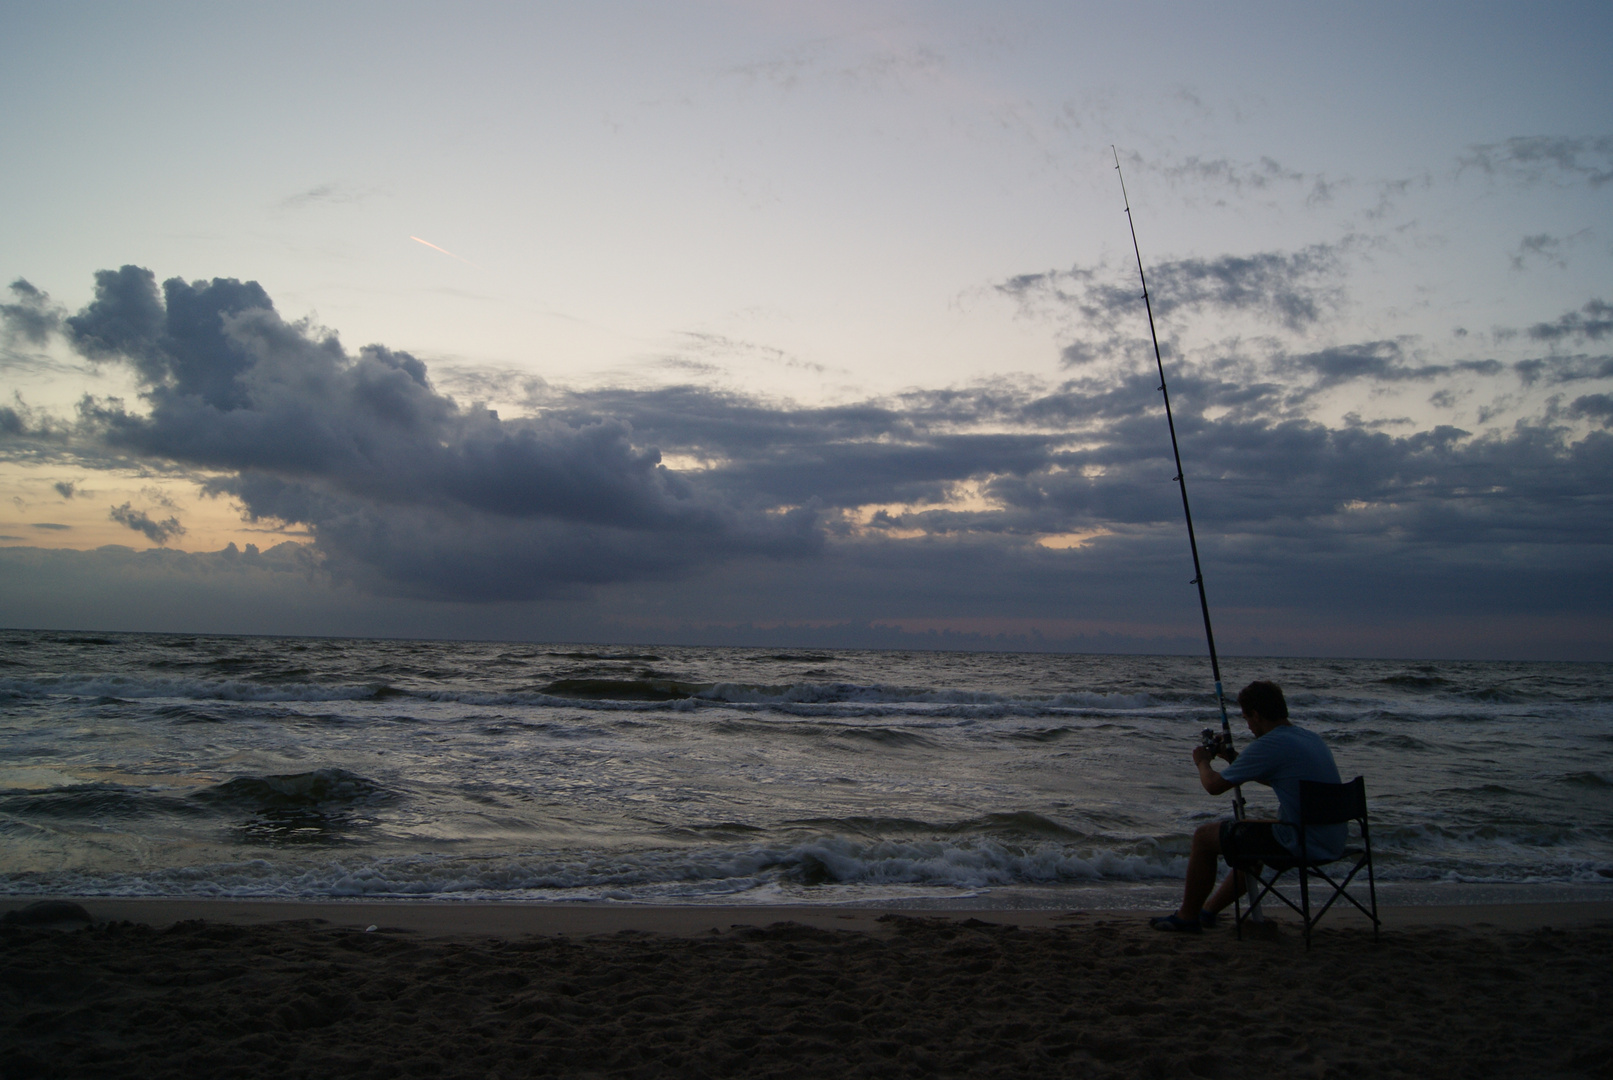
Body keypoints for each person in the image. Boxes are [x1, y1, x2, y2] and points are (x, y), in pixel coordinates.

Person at [1150, 679, 1343, 933]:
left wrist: (1202, 762)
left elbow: (1214, 786)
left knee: (1204, 837)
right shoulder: (1310, 738)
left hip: (1299, 841)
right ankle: (1208, 912)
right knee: (1248, 840)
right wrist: (1230, 758)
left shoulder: (1269, 744)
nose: (1248, 727)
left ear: (1256, 714)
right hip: (1332, 838)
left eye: (1246, 719)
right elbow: (1271, 775)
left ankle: (1187, 916)